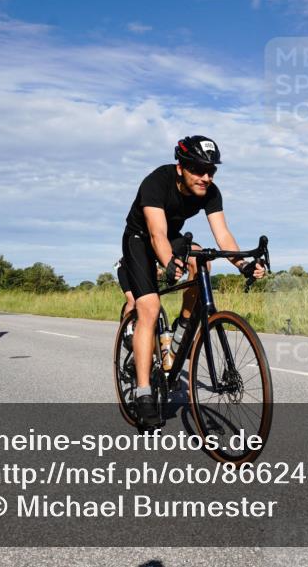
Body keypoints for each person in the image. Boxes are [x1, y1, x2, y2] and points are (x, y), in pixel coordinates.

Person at [121, 135, 265, 427]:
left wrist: (244, 265)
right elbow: (156, 235)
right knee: (149, 307)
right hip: (140, 238)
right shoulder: (156, 182)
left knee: (202, 258)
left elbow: (222, 235)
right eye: (198, 169)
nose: (205, 177)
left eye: (211, 170)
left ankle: (182, 328)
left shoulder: (211, 192)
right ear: (180, 167)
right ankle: (144, 391)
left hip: (171, 238)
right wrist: (168, 263)